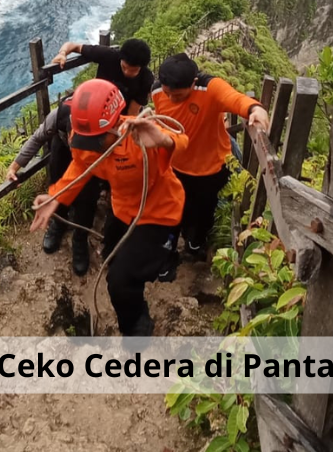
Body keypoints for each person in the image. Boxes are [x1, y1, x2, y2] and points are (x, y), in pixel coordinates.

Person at [31, 78, 188, 336]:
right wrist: (55, 197)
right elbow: (81, 166)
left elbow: (182, 143)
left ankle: (137, 328)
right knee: (112, 257)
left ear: (116, 124)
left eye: (96, 140)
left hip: (159, 214)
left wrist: (164, 141)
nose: (90, 148)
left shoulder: (142, 138)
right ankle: (144, 273)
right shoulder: (87, 137)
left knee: (119, 282)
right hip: (123, 210)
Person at [151, 53, 271, 261]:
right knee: (178, 207)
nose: (171, 99)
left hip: (211, 168)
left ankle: (195, 245)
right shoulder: (157, 91)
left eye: (178, 96)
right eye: (167, 93)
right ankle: (175, 245)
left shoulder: (210, 88)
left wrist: (255, 109)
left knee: (204, 211)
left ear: (193, 82)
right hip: (176, 165)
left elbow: (236, 99)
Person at [6, 98, 100, 275]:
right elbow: (36, 139)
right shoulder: (58, 117)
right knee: (57, 180)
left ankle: (80, 238)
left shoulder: (103, 123)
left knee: (89, 194)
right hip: (61, 148)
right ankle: (58, 223)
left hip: (93, 154)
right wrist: (14, 166)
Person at [51, 38, 154, 115]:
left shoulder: (145, 78)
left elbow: (132, 114)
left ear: (142, 67)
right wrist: (63, 53)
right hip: (94, 101)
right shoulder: (108, 56)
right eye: (124, 67)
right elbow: (74, 46)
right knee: (58, 113)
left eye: (133, 70)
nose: (127, 72)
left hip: (121, 114)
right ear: (120, 58)